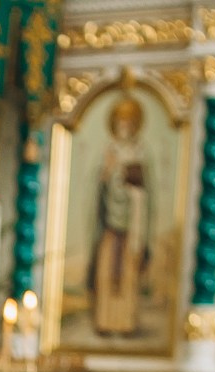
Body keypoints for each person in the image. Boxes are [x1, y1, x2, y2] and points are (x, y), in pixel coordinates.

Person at [91, 97, 150, 336]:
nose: (124, 127)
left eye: (129, 122)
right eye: (120, 122)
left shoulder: (140, 152)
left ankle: (125, 322)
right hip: (111, 226)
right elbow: (101, 187)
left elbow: (145, 189)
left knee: (127, 276)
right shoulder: (109, 151)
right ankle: (105, 321)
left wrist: (133, 188)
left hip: (131, 224)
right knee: (106, 273)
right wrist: (109, 173)